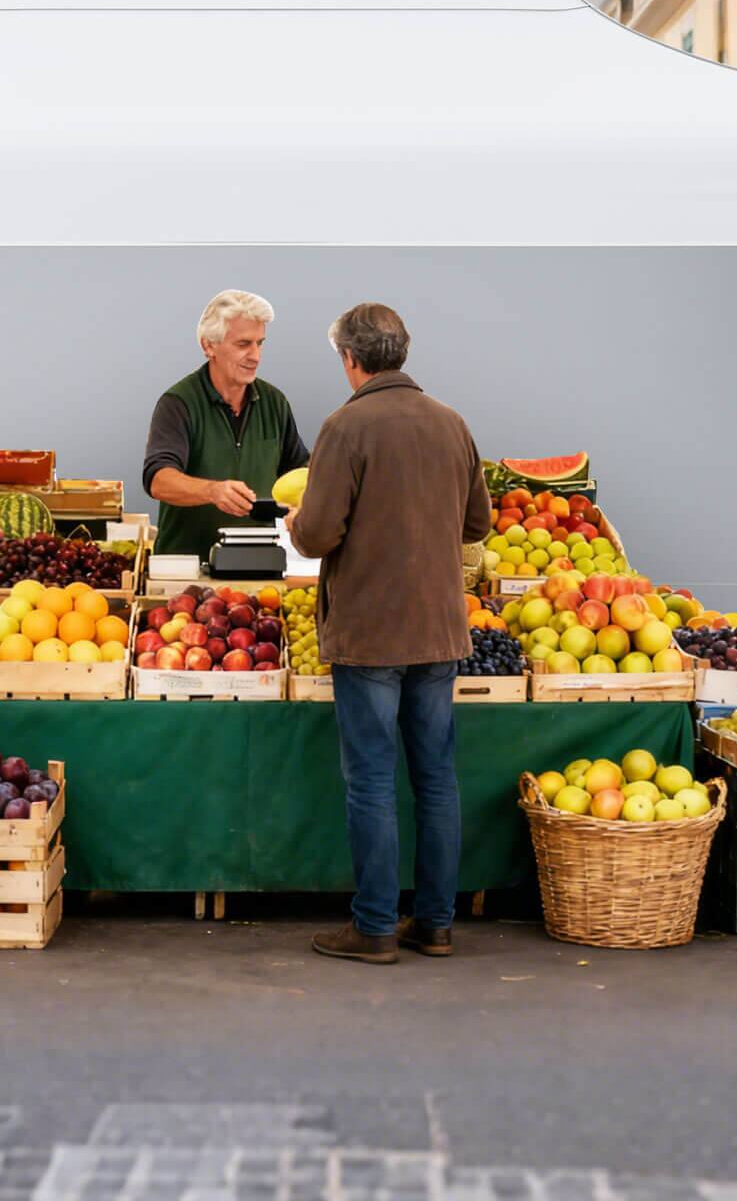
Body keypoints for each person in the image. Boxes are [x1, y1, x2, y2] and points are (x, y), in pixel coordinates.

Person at [287, 303, 491, 964]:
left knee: (371, 780)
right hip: (439, 629)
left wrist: (295, 523)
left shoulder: (346, 426)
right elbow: (476, 523)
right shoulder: (451, 423)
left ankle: (374, 927)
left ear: (351, 359)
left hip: (371, 631)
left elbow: (317, 534)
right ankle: (435, 925)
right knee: (436, 779)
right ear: (399, 352)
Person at [143, 290, 310, 564]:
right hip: (185, 570)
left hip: (259, 565)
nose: (255, 356)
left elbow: (300, 471)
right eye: (243, 344)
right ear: (208, 345)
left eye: (260, 343)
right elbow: (158, 480)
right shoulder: (178, 403)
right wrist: (212, 491)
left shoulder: (274, 403)